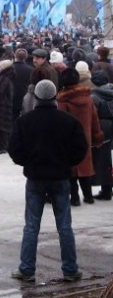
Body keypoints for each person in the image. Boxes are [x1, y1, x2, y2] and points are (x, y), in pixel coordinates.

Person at [8, 79, 87, 283]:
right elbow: (80, 149)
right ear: (54, 97)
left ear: (36, 97)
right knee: (64, 226)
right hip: (60, 177)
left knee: (31, 226)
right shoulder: (68, 121)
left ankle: (27, 269)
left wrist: (28, 162)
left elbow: (14, 149)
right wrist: (66, 162)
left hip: (35, 177)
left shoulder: (25, 121)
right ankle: (70, 269)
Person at [56, 68, 103, 206]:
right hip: (86, 138)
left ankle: (75, 197)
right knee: (85, 166)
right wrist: (97, 135)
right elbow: (95, 119)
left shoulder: (63, 100)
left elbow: (61, 122)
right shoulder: (88, 98)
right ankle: (88, 196)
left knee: (71, 169)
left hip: (69, 139)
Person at [90, 71, 113, 200]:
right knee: (109, 159)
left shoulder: (95, 96)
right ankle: (108, 188)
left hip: (102, 126)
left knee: (103, 159)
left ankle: (106, 189)